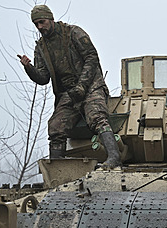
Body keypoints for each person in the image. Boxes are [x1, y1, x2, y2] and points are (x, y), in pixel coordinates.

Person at [18, 5, 121, 168]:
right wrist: (29, 68)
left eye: (42, 22)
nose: (40, 27)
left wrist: (82, 86)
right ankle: (58, 170)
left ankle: (114, 158)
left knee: (97, 117)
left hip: (90, 86)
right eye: (36, 24)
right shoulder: (41, 48)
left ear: (51, 19)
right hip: (69, 94)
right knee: (55, 127)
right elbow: (43, 78)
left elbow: (91, 58)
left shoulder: (73, 33)